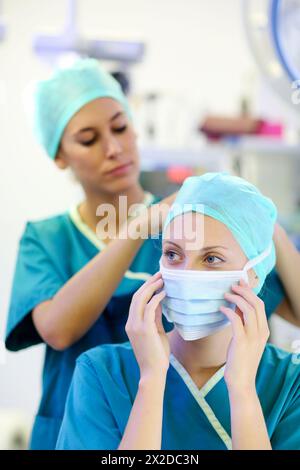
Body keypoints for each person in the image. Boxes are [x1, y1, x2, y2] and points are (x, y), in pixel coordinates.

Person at [56, 173, 300, 450]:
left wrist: (242, 390)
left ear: (255, 274)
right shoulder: (102, 372)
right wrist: (151, 380)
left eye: (211, 259)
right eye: (173, 254)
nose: (186, 274)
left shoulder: (291, 383)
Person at [5, 58, 176, 450]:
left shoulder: (184, 229)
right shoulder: (46, 239)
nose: (114, 148)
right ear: (60, 156)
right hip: (71, 435)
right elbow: (58, 329)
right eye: (89, 139)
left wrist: (264, 223)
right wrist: (138, 227)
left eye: (120, 127)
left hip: (166, 437)